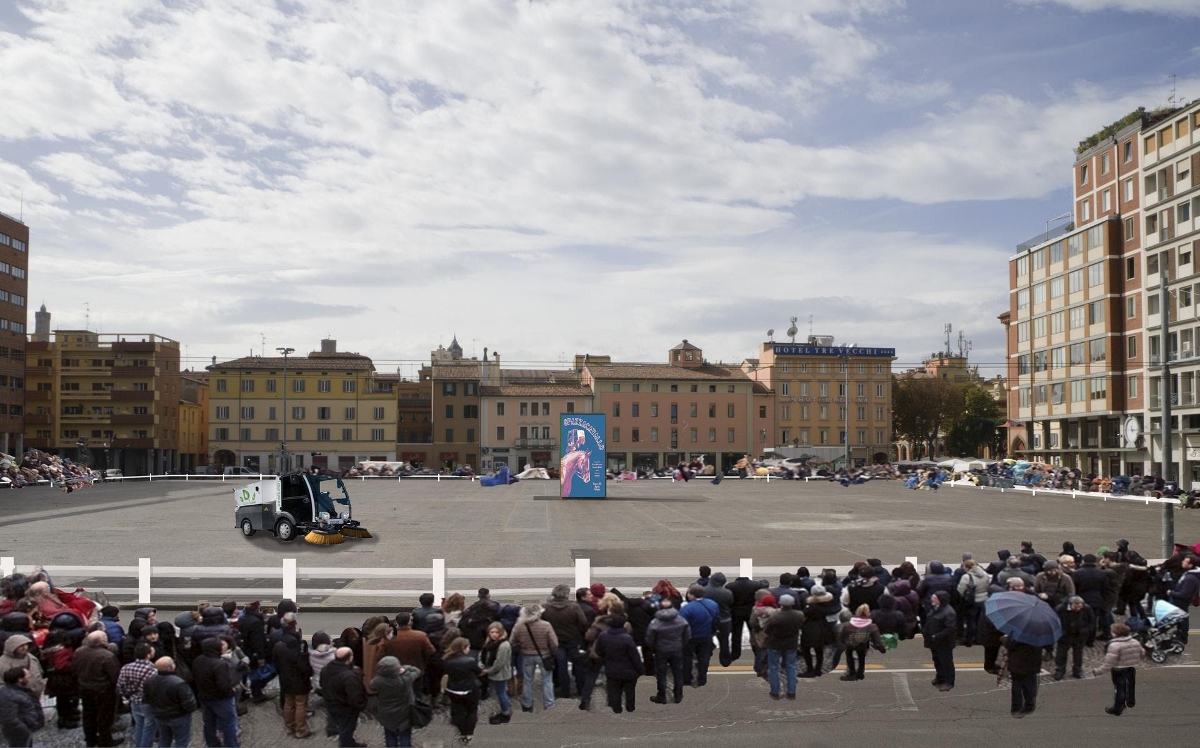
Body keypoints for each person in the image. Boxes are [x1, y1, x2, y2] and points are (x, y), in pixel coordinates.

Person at [74, 630, 122, 748]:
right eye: (105, 637)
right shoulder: (107, 656)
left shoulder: (79, 652)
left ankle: (90, 739)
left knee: (88, 715)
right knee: (105, 717)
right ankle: (105, 741)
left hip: (85, 688)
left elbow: (75, 668)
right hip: (103, 690)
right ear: (101, 641)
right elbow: (115, 675)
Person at [540, 584, 588, 700]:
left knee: (561, 666)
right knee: (579, 664)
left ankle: (565, 691)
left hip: (555, 641)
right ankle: (581, 689)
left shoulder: (545, 607)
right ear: (566, 594)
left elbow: (541, 625)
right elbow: (583, 623)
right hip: (573, 640)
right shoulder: (574, 607)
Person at [192, 636, 241, 748]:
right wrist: (231, 690)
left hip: (205, 697)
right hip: (221, 699)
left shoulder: (198, 660)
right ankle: (231, 745)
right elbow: (224, 685)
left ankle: (212, 744)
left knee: (209, 724)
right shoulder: (219, 664)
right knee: (229, 724)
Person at [509, 604, 557, 713]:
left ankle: (527, 704)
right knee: (547, 681)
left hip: (526, 655)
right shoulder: (546, 625)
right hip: (544, 655)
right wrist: (551, 652)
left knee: (527, 680)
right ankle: (549, 704)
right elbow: (554, 643)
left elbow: (512, 642)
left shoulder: (519, 626)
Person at [592, 614, 643, 714]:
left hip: (611, 669)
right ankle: (630, 707)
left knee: (614, 691)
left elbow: (599, 651)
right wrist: (640, 670)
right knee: (630, 691)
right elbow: (635, 656)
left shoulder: (603, 636)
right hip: (629, 671)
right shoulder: (627, 638)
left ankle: (617, 709)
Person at [142, 657, 197, 748]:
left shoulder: (149, 681)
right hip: (178, 716)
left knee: (164, 739)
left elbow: (146, 698)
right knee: (181, 741)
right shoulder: (178, 683)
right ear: (171, 667)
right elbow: (189, 703)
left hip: (160, 716)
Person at [1093, 622, 1145, 716]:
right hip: (1132, 668)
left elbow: (1109, 663)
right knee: (1130, 684)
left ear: (1116, 633)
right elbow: (1142, 653)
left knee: (1120, 688)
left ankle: (1118, 707)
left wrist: (1098, 671)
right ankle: (1130, 701)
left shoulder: (1114, 646)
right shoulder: (1135, 641)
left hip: (1120, 670)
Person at [273, 616, 313, 739]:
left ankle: (289, 726)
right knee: (300, 703)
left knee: (288, 703)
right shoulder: (297, 644)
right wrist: (309, 673)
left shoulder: (278, 644)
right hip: (299, 680)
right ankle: (301, 729)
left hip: (285, 679)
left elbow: (275, 662)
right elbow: (303, 665)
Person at [320, 647, 368, 748]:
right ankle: (346, 745)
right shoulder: (349, 676)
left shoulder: (325, 669)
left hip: (331, 703)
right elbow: (355, 696)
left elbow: (322, 684)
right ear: (350, 658)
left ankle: (349, 742)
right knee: (346, 728)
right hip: (345, 707)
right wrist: (361, 705)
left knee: (342, 726)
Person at [371, 656, 421, 748]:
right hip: (404, 710)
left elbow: (372, 685)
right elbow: (417, 671)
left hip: (386, 710)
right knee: (405, 734)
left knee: (389, 733)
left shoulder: (378, 681)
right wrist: (404, 668)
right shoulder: (406, 679)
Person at [645, 600, 689, 705]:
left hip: (661, 650)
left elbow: (649, 639)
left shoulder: (655, 623)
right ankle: (678, 695)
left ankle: (662, 696)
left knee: (661, 674)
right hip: (676, 649)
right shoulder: (681, 620)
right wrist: (681, 645)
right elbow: (687, 635)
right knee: (678, 673)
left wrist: (653, 648)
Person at [761, 594, 804, 699]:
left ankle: (775, 692)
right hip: (791, 644)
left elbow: (767, 630)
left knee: (774, 667)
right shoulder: (799, 615)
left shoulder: (775, 616)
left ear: (780, 604)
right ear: (792, 604)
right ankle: (791, 692)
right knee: (791, 667)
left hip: (775, 644)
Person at [117, 641, 159, 748]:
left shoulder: (126, 667)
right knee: (149, 727)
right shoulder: (153, 670)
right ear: (148, 654)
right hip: (148, 703)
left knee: (139, 725)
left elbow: (120, 686)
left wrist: (127, 696)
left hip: (133, 701)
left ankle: (138, 745)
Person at [442, 637, 481, 745]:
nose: (469, 649)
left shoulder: (446, 660)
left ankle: (463, 732)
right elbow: (478, 672)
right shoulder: (470, 661)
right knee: (472, 711)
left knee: (458, 711)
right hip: (469, 689)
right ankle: (469, 734)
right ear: (463, 648)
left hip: (453, 690)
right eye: (468, 647)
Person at [679, 585, 718, 688]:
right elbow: (717, 619)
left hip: (691, 637)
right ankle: (702, 679)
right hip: (706, 636)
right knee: (704, 657)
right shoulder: (712, 604)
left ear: (692, 595)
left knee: (687, 657)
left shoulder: (687, 608)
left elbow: (682, 624)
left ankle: (687, 678)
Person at [836, 604, 886, 681]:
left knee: (849, 655)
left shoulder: (848, 625)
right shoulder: (872, 626)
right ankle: (860, 673)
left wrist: (842, 643)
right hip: (863, 645)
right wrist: (882, 649)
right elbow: (877, 641)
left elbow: (842, 636)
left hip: (850, 644)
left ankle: (851, 673)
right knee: (861, 657)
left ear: (857, 613)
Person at [727, 574, 768, 663]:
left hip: (736, 611)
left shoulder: (730, 586)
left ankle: (735, 653)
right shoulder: (755, 585)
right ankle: (756, 651)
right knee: (753, 632)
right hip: (750, 610)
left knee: (736, 633)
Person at [0, 666, 44, 748]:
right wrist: (24, 730)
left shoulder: (19, 690)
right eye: (27, 674)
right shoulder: (9, 695)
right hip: (19, 732)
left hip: (25, 729)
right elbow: (9, 719)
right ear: (19, 679)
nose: (30, 675)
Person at [1001, 634, 1041, 718]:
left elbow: (1010, 644)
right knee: (1030, 684)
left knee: (1017, 685)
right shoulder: (1039, 630)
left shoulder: (1017, 630)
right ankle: (1029, 706)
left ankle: (1017, 708)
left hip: (1017, 662)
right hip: (1033, 662)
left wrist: (1004, 639)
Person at [479, 623, 512, 725]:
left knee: (501, 693)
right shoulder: (490, 642)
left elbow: (499, 663)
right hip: (493, 671)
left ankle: (505, 713)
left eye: (496, 632)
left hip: (500, 674)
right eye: (492, 632)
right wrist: (481, 664)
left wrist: (487, 671)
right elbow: (483, 654)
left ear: (501, 632)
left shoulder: (503, 645)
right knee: (500, 692)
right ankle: (505, 708)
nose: (494, 634)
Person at [923, 591, 957, 691]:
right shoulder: (936, 609)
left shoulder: (949, 612)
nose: (932, 600)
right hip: (935, 642)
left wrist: (936, 636)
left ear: (941, 600)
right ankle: (940, 677)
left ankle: (948, 682)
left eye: (935, 598)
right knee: (937, 660)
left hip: (944, 642)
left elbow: (950, 628)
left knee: (945, 662)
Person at [1054, 596, 1094, 680]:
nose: (1078, 609)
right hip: (1065, 635)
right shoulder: (1060, 609)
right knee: (1061, 654)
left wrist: (1084, 631)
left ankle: (1077, 670)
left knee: (1078, 654)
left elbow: (1091, 623)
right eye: (1076, 607)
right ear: (1070, 604)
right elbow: (1055, 622)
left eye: (1080, 606)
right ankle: (1060, 670)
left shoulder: (1086, 609)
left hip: (1079, 635)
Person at [703, 572, 735, 667]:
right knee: (724, 641)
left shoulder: (703, 591)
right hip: (724, 620)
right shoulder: (727, 593)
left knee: (706, 640)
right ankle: (725, 660)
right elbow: (730, 604)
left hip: (708, 620)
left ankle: (706, 657)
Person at [1167, 554, 1199, 644]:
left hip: (1181, 601)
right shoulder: (1189, 574)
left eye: (1185, 561)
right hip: (1180, 601)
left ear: (1190, 565)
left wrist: (1171, 593)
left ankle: (1182, 636)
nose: (1183, 562)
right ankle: (1180, 634)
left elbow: (1184, 594)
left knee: (1182, 619)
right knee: (1181, 618)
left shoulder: (1190, 578)